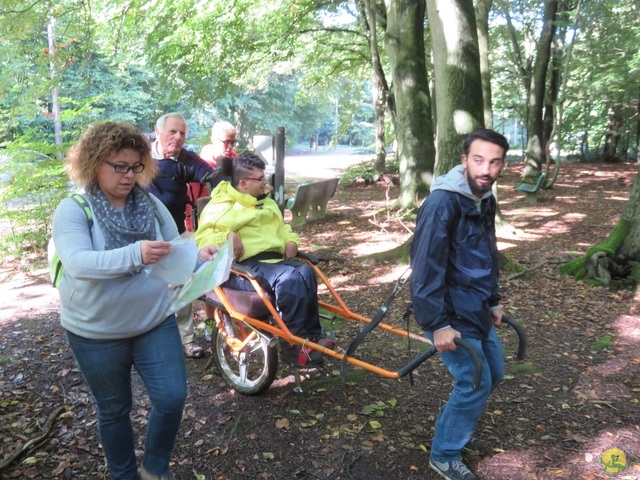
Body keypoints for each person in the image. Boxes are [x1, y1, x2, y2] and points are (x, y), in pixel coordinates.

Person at [52, 121, 218, 480]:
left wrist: (199, 256)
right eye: (119, 167)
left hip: (152, 321)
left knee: (172, 397)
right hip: (95, 332)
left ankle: (154, 469)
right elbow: (79, 263)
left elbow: (174, 251)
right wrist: (136, 254)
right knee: (114, 410)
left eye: (135, 167)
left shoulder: (150, 204)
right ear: (94, 164)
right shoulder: (74, 209)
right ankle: (123, 474)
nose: (129, 176)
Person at [409, 129, 509, 480]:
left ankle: (456, 427)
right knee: (474, 382)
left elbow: (487, 253)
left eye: (494, 162)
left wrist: (493, 300)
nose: (486, 169)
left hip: (477, 307)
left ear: (502, 165)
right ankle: (444, 454)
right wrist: (437, 323)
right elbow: (425, 268)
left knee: (493, 373)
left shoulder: (484, 198)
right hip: (449, 313)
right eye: (478, 160)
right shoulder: (442, 203)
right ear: (464, 160)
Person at [194, 151, 329, 367]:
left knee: (306, 272)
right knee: (289, 278)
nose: (266, 183)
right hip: (242, 267)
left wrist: (290, 240)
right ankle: (292, 345)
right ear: (244, 183)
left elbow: (283, 229)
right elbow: (202, 239)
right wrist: (227, 236)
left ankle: (312, 336)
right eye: (261, 179)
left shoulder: (267, 203)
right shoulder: (221, 205)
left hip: (273, 263)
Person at [147, 113, 215, 358]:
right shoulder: (140, 156)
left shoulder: (185, 160)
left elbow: (211, 175)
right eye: (172, 132)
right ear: (157, 131)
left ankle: (186, 341)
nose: (178, 138)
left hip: (173, 232)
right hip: (139, 237)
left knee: (180, 285)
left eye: (183, 133)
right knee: (146, 288)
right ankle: (148, 341)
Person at [184, 121, 238, 232]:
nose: (230, 147)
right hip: (209, 227)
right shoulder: (199, 168)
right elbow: (189, 205)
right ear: (214, 140)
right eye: (226, 142)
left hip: (235, 223)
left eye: (233, 143)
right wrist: (190, 233)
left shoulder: (238, 163)